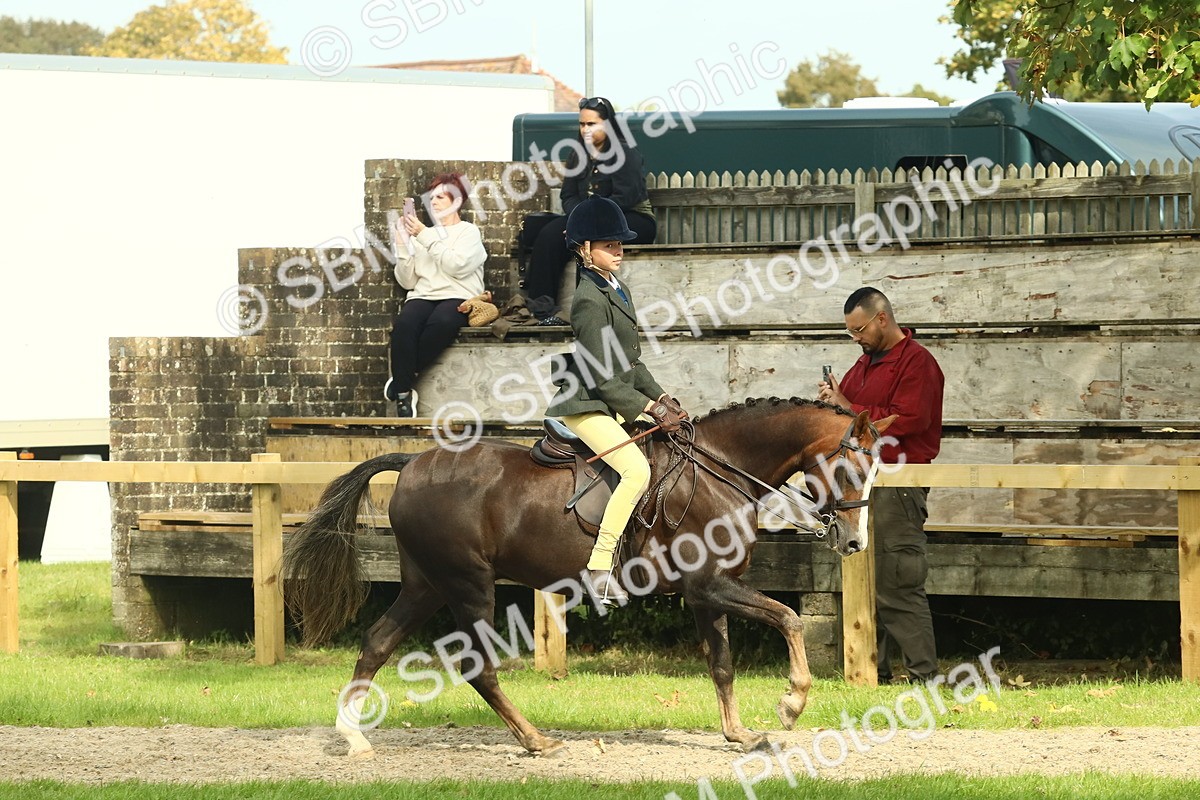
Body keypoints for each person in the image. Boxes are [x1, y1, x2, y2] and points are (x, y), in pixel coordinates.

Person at [548, 196, 686, 604]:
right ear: (585, 250)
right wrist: (645, 408)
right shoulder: (588, 300)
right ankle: (599, 568)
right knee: (636, 471)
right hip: (584, 405)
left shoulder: (618, 288)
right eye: (609, 245)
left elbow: (630, 361)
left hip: (609, 399)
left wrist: (662, 397)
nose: (619, 251)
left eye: (620, 244)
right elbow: (603, 375)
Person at [817, 287, 944, 683]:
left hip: (898, 482)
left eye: (859, 329)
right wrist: (831, 404)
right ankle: (877, 676)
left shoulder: (918, 363)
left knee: (898, 583)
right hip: (861, 485)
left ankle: (925, 679)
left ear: (882, 318)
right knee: (864, 584)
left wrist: (846, 407)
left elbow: (908, 421)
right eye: (851, 332)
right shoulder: (864, 364)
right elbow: (850, 423)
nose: (856, 338)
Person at [523, 96, 657, 326]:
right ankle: (542, 310)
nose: (585, 129)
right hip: (589, 218)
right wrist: (579, 219)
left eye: (592, 124)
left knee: (593, 238)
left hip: (631, 219)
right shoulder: (578, 155)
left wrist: (588, 221)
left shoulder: (625, 153)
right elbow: (569, 195)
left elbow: (626, 196)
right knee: (548, 233)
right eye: (582, 124)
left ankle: (590, 313)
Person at [384, 172, 487, 417]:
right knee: (405, 325)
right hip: (423, 295)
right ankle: (404, 396)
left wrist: (423, 234)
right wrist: (401, 244)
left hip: (458, 295)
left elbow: (456, 265)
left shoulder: (468, 232)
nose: (434, 202)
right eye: (431, 198)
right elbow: (408, 280)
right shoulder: (422, 236)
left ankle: (402, 381)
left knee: (442, 322)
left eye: (441, 196)